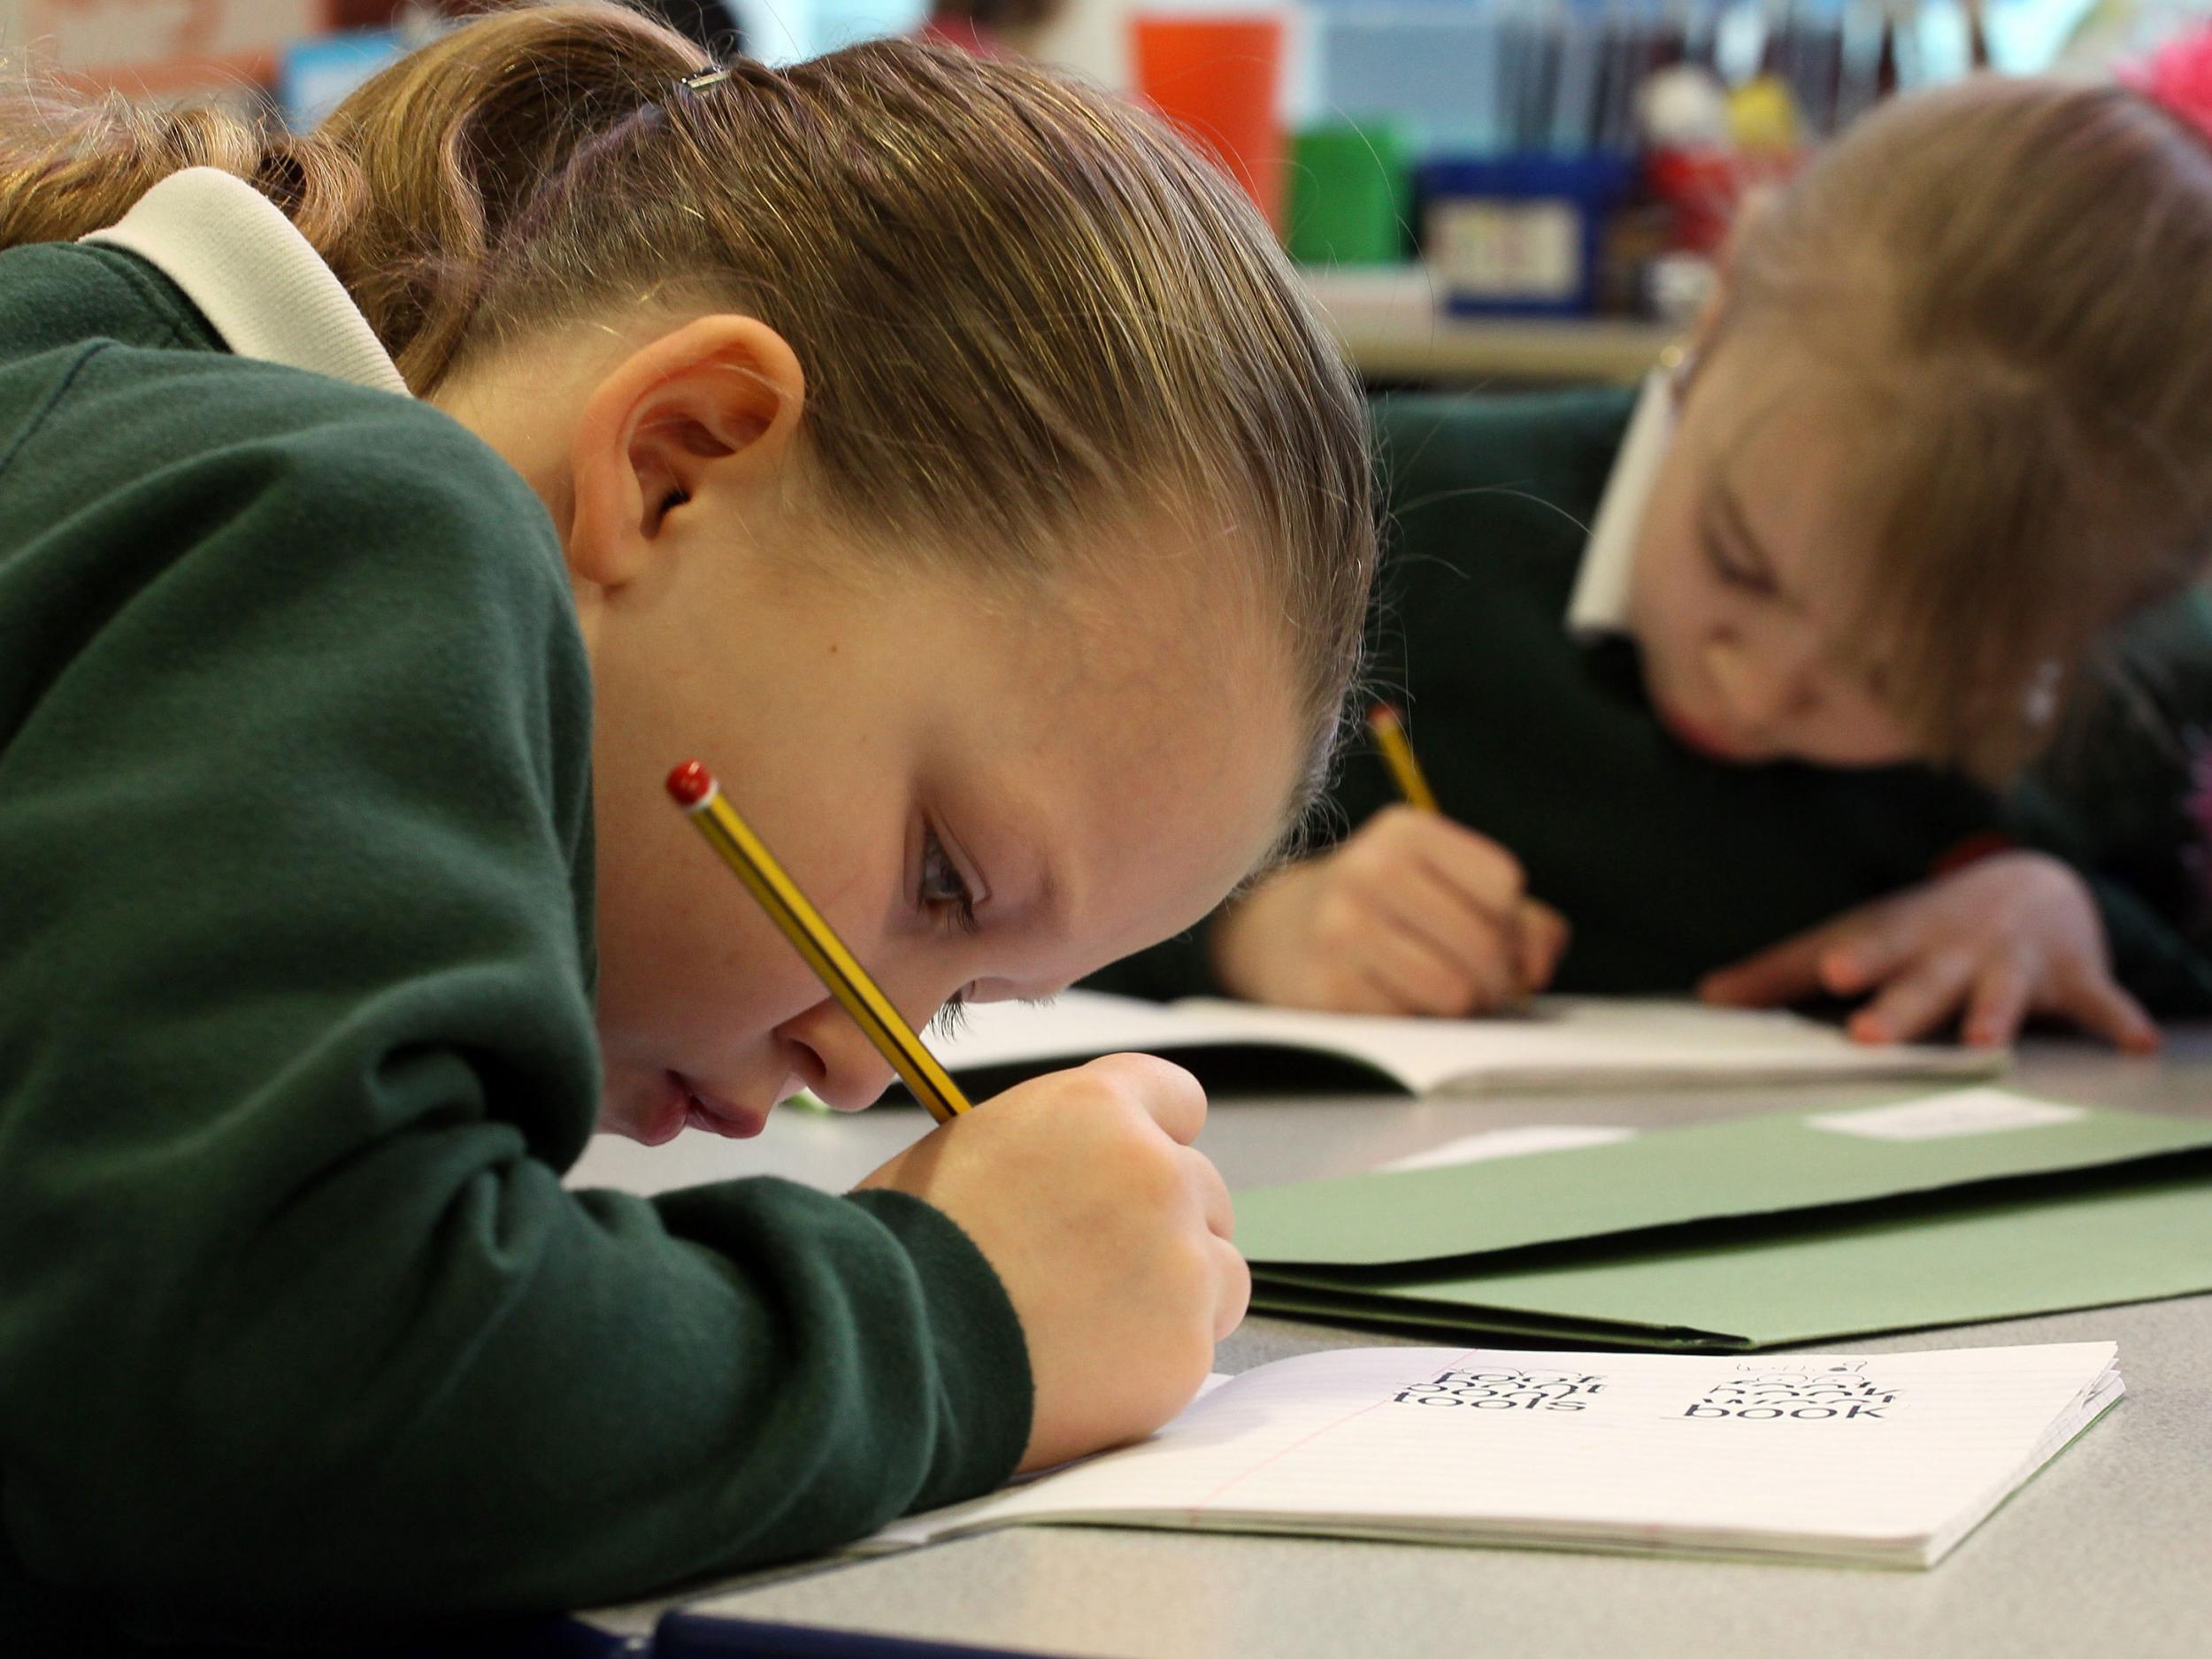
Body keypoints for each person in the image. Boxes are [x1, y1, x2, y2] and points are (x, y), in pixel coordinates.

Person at [0, 4, 1374, 1648]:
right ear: (676, 464)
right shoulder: (346, 519)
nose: (861, 1068)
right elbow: (276, 1376)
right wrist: (964, 1315)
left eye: (953, 1004)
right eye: (940, 876)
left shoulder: (118, 421)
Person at [1092, 75, 2212, 1052]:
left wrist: (2062, 918)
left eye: (1891, 675)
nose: (1759, 688)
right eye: (1741, 565)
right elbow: (999, 883)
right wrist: (1245, 931)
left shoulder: (2109, 698)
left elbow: (2173, 961)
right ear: (1717, 314)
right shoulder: (1374, 518)